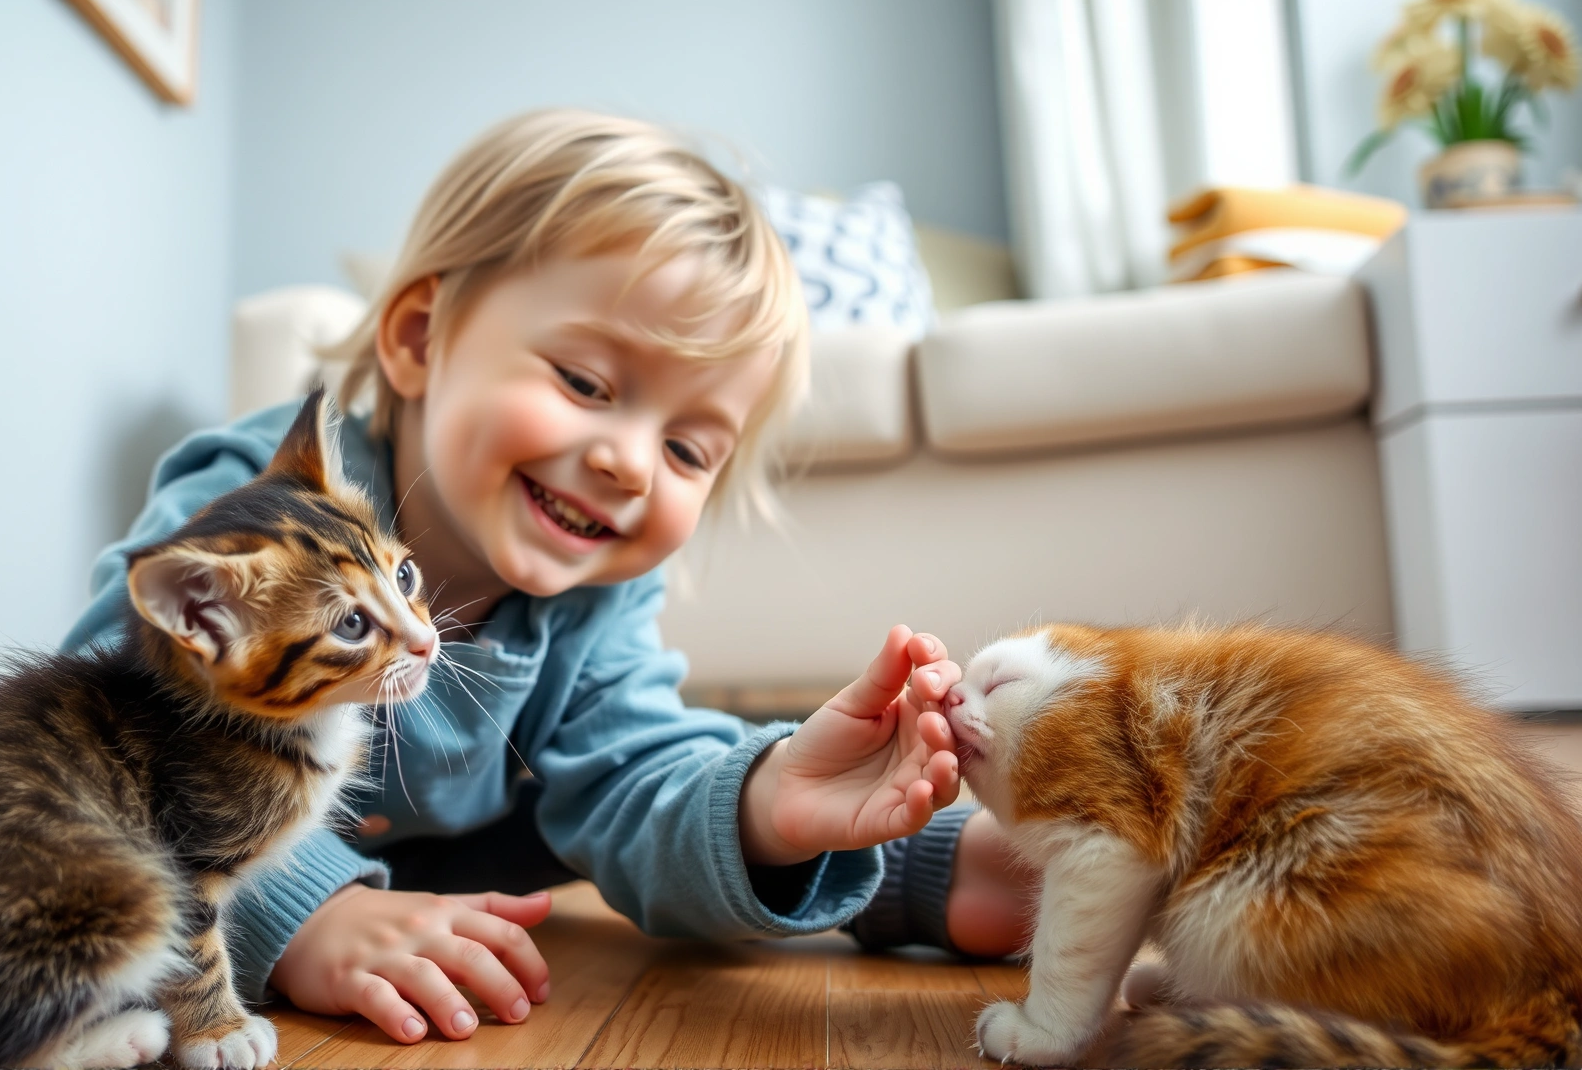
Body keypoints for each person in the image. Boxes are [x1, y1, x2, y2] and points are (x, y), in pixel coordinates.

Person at [63, 108, 1033, 1046]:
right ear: (418, 339)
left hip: (489, 859)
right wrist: (314, 909)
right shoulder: (260, 514)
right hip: (221, 860)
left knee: (729, 785)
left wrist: (769, 799)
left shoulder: (593, 593)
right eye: (585, 384)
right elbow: (110, 732)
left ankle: (944, 869)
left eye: (690, 451)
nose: (628, 464)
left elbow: (633, 777)